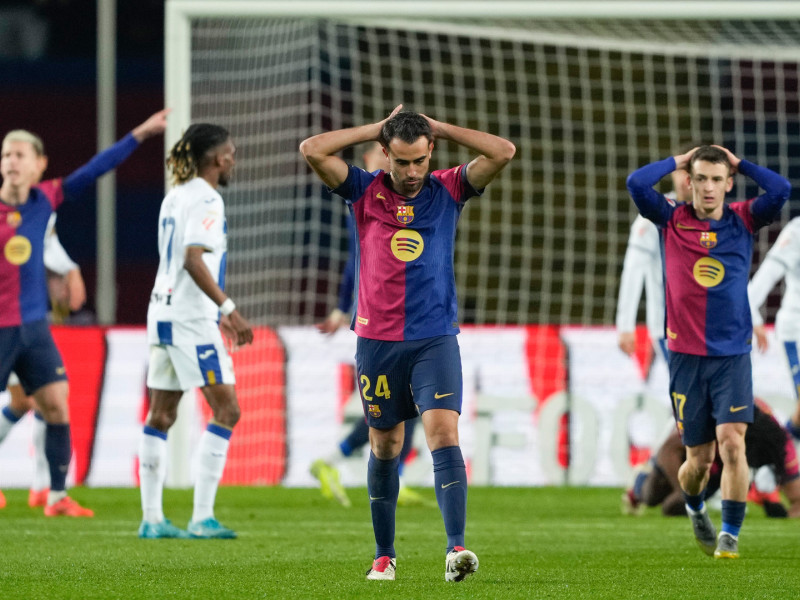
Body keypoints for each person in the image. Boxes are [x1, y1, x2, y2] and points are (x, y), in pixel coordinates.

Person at [300, 106, 515, 581]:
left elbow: (503, 151)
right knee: (386, 444)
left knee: (443, 433)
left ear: (430, 151)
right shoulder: (362, 189)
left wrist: (440, 126)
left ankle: (455, 548)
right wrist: (375, 127)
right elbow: (312, 149)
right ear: (385, 154)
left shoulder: (450, 188)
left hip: (433, 338)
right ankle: (384, 553)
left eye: (420, 160)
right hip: (376, 341)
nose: (412, 172)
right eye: (402, 162)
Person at [0, 109, 170, 516]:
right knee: (27, 402)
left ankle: (56, 497)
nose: (11, 162)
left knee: (56, 402)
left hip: (35, 326)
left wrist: (140, 134)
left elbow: (95, 170)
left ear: (39, 164)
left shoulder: (46, 200)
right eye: (6, 155)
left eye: (20, 155)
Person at [627, 145, 791, 559]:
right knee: (699, 460)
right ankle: (695, 505)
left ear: (728, 184)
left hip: (732, 355)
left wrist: (742, 163)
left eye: (718, 179)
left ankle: (730, 535)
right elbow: (635, 183)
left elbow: (781, 188)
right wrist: (677, 160)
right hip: (685, 356)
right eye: (701, 178)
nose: (709, 187)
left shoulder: (742, 219)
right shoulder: (670, 218)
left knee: (733, 443)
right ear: (690, 182)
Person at [138, 123, 253, 540]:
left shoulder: (174, 196)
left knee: (161, 414)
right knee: (228, 410)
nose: (234, 159)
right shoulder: (207, 197)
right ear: (218, 158)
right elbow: (192, 258)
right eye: (231, 152)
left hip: (162, 312)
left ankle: (152, 519)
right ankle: (202, 517)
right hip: (190, 320)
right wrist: (228, 308)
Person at [311, 141, 428, 509]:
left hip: (391, 314)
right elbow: (356, 259)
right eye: (388, 155)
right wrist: (343, 308)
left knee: (399, 405)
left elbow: (355, 259)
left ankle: (337, 463)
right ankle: (343, 463)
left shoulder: (395, 201)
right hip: (377, 318)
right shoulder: (365, 196)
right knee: (397, 406)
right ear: (371, 158)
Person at [623, 399, 800, 518]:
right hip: (693, 450)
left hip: (717, 468)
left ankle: (694, 494)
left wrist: (778, 508)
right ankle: (640, 481)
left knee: (673, 509)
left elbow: (797, 501)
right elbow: (668, 450)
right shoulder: (716, 418)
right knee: (651, 494)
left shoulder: (782, 448)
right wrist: (682, 492)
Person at [616, 144, 694, 362]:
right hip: (669, 328)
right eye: (682, 171)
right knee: (692, 394)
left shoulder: (715, 216)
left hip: (711, 326)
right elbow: (633, 268)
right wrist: (625, 326)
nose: (686, 179)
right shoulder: (655, 213)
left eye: (693, 172)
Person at [748, 216, 800, 441]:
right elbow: (758, 286)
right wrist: (754, 319)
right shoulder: (797, 231)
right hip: (795, 332)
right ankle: (775, 466)